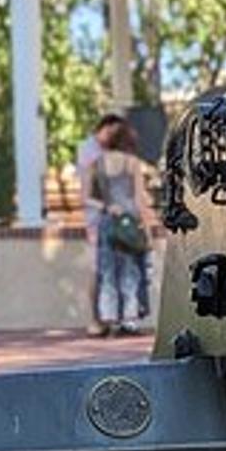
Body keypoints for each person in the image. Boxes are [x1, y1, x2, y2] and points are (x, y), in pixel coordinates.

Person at [86, 117, 149, 336]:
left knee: (107, 272)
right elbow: (140, 197)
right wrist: (147, 225)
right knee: (131, 271)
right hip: (129, 222)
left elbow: (88, 198)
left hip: (107, 223)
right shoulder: (133, 163)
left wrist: (108, 206)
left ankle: (110, 318)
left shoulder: (96, 164)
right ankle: (130, 320)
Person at [76, 113, 126, 335]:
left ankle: (115, 320)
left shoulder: (110, 151)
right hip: (97, 220)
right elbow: (86, 195)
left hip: (113, 219)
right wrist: (107, 207)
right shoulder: (88, 151)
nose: (113, 137)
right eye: (111, 132)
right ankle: (95, 321)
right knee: (97, 270)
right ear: (102, 127)